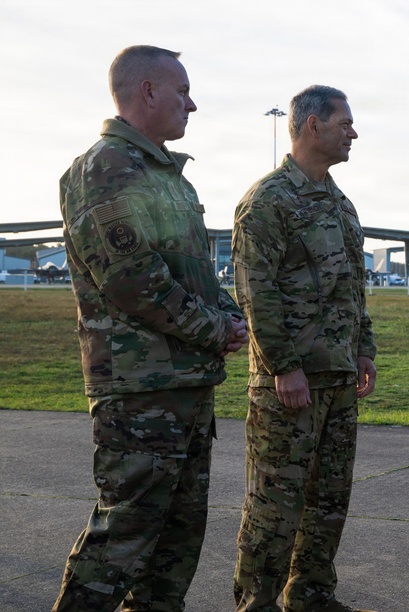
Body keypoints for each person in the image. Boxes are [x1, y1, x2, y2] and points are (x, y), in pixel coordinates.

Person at [55, 45, 248, 610]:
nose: (193, 103)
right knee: (124, 535)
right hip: (139, 388)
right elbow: (131, 279)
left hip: (183, 382)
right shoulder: (105, 167)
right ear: (148, 92)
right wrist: (215, 330)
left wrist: (231, 315)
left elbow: (190, 272)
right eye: (183, 91)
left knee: (175, 544)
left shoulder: (169, 177)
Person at [231, 85, 377, 612]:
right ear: (312, 126)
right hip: (289, 384)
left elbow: (354, 289)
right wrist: (283, 367)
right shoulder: (268, 201)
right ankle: (258, 602)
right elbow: (254, 292)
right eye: (345, 123)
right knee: (275, 502)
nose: (353, 132)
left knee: (328, 500)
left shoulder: (341, 204)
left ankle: (312, 594)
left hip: (338, 379)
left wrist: (365, 350)